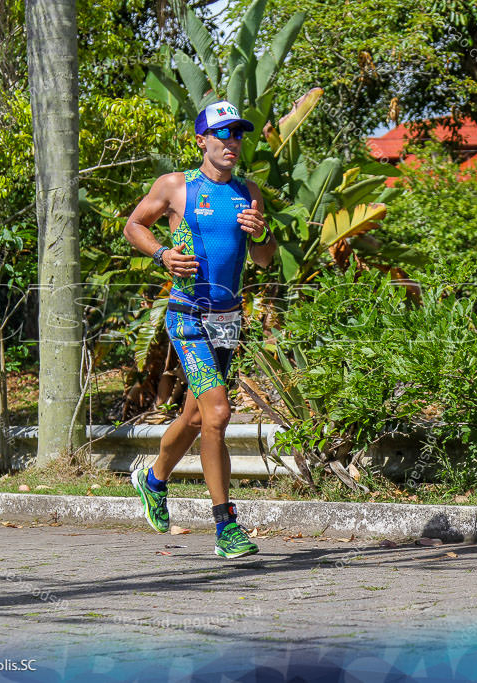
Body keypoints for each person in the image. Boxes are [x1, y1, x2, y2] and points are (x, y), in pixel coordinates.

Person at [122, 100, 277, 558]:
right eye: (223, 134)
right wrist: (162, 255)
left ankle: (152, 481)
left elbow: (266, 261)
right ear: (201, 140)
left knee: (194, 416)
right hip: (187, 315)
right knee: (218, 415)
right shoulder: (176, 187)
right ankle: (226, 526)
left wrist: (261, 232)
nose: (233, 143)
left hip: (228, 319)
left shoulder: (248, 191)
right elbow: (134, 225)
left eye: (238, 135)